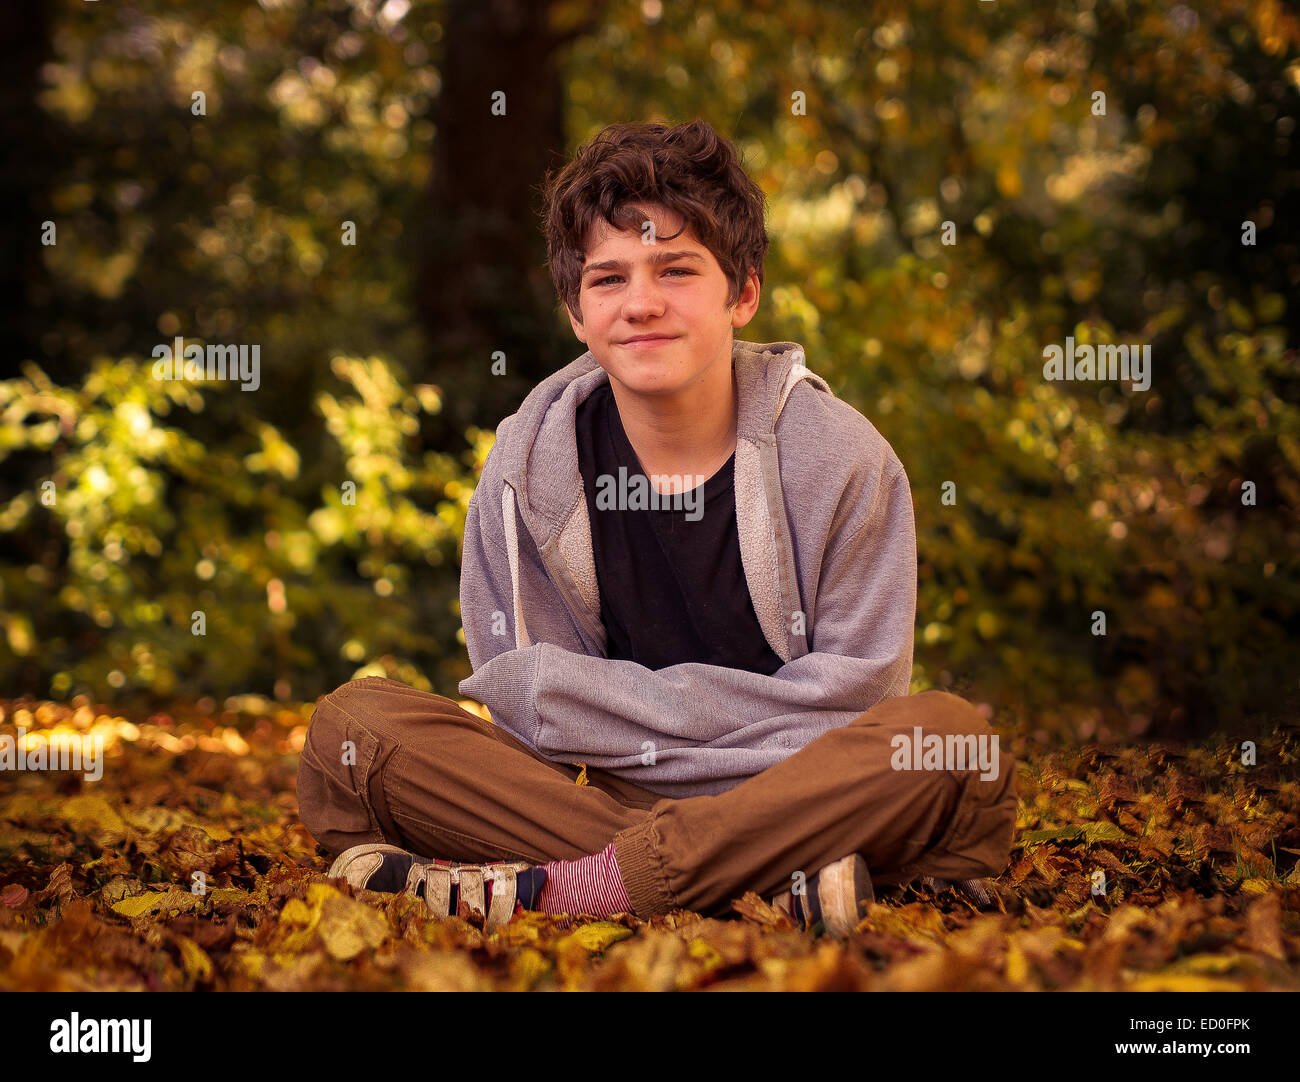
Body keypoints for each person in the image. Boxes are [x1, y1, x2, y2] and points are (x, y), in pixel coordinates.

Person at [297, 118, 1017, 938]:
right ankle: (769, 887)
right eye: (608, 280)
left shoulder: (841, 458)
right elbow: (529, 708)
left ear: (742, 293)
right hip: (602, 794)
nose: (641, 304)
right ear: (574, 311)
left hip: (800, 789)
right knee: (351, 728)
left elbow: (853, 706)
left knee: (953, 739)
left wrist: (637, 719)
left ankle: (573, 885)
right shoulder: (526, 469)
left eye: (675, 269)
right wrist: (677, 740)